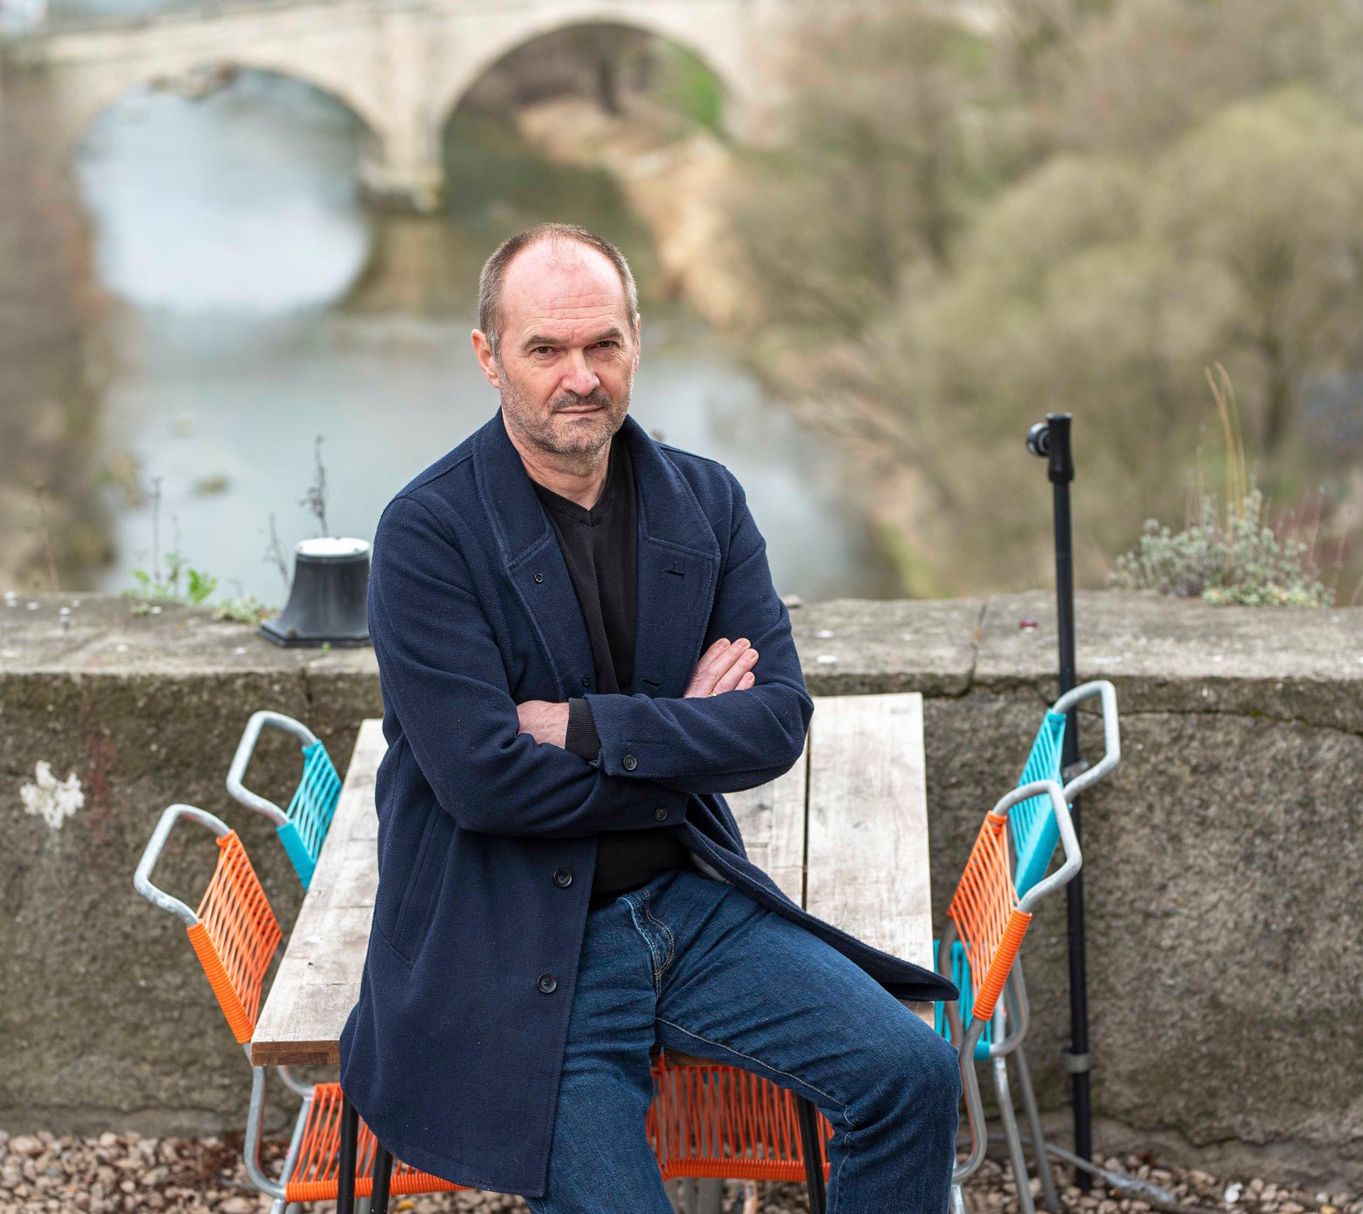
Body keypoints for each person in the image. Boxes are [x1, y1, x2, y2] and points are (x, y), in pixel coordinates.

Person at [339, 223, 960, 1213]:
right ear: (487, 357)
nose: (579, 376)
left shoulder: (706, 503)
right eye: (545, 349)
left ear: (637, 339)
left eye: (603, 345)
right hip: (523, 938)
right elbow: (483, 780)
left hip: (691, 901)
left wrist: (588, 725)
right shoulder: (428, 535)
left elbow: (775, 722)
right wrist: (683, 733)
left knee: (910, 1074)